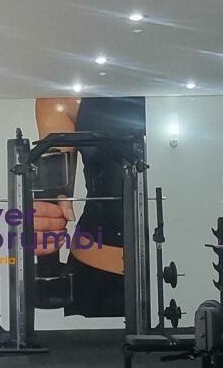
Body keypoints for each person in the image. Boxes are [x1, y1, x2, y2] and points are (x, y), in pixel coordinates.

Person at [33, 95, 146, 318]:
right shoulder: (64, 98)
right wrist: (47, 267)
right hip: (98, 269)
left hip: (189, 258)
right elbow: (53, 196)